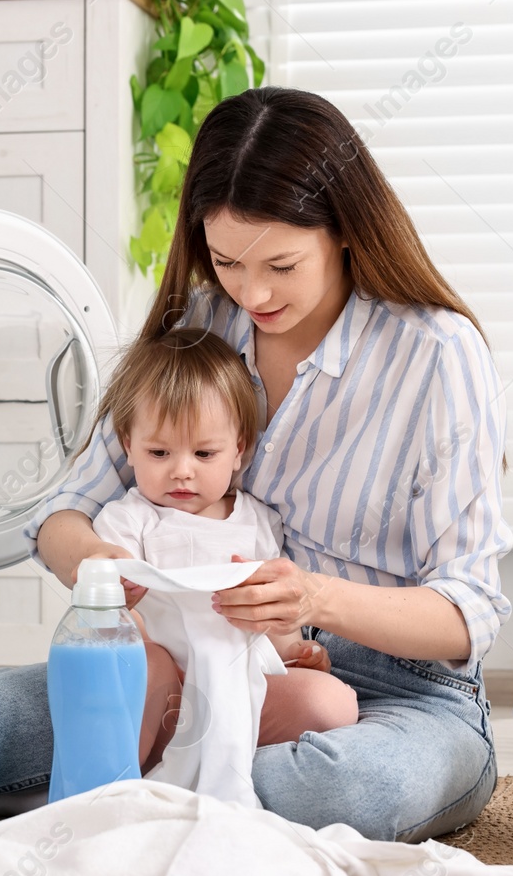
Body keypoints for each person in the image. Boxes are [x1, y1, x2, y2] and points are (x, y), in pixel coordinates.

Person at [0, 85, 512, 842]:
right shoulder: (202, 327)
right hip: (187, 659)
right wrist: (96, 564)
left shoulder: (438, 354)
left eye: (281, 264)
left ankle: (127, 788)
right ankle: (163, 776)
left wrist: (314, 597)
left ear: (346, 231)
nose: (252, 292)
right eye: (226, 261)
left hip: (402, 691)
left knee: (345, 786)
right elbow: (61, 514)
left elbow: (467, 613)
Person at [84, 325, 358, 771]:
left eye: (204, 454)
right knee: (142, 665)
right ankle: (120, 781)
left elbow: (274, 614)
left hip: (240, 685)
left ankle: (221, 747)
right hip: (167, 688)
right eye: (159, 453)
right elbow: (110, 619)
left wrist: (293, 651)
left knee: (334, 703)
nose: (182, 472)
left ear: (239, 451)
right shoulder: (128, 519)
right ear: (129, 446)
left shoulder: (256, 522)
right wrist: (123, 605)